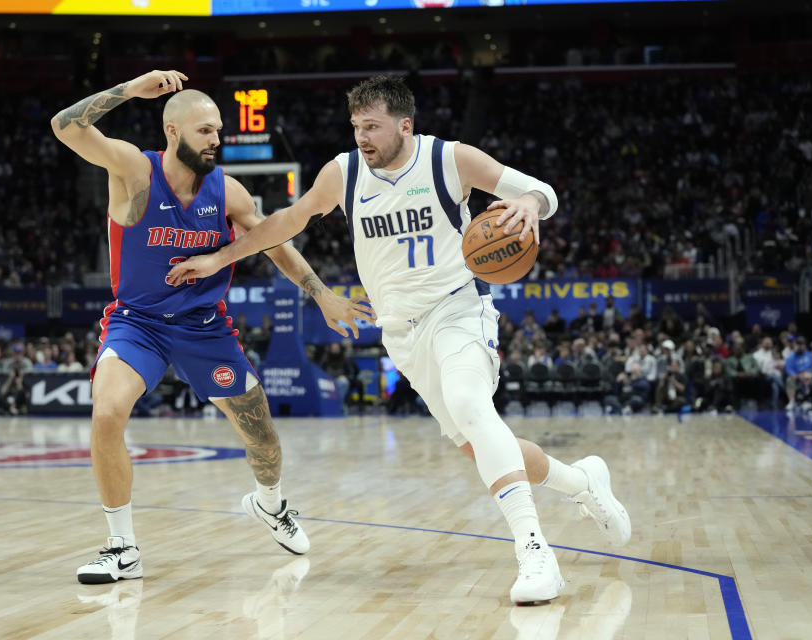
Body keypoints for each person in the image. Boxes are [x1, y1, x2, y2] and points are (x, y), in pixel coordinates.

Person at [169, 75, 630, 604]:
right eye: (356, 126)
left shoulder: (448, 160)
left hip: (459, 308)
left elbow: (541, 191)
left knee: (470, 406)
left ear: (404, 125)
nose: (362, 136)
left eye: (372, 126)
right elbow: (286, 223)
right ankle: (583, 484)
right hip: (402, 333)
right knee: (479, 443)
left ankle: (536, 554)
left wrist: (528, 202)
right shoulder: (342, 173)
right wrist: (219, 257)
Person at [51, 70, 373, 585]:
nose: (217, 140)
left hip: (205, 328)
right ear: (173, 132)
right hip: (140, 323)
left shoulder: (227, 191)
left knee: (263, 438)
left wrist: (321, 293)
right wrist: (131, 90)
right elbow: (66, 127)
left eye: (219, 131)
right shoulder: (135, 170)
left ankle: (270, 504)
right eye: (206, 131)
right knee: (107, 412)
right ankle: (123, 547)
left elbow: (275, 241)